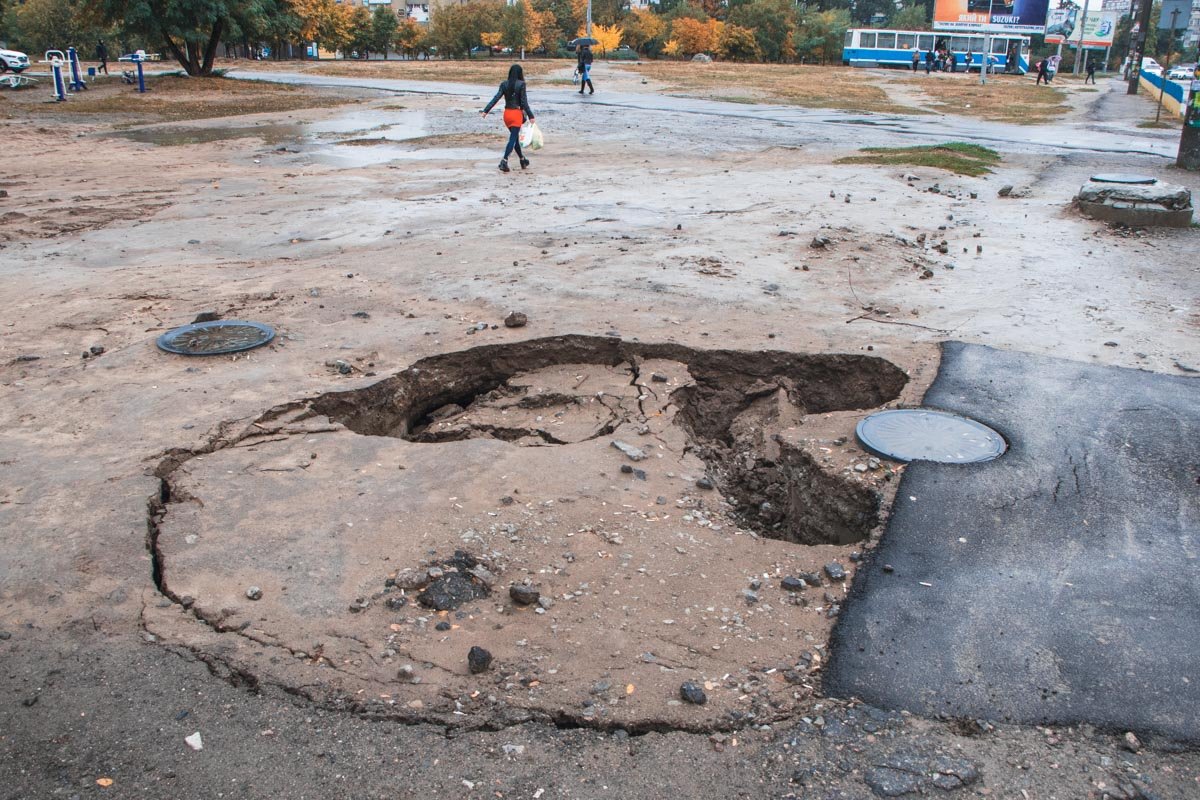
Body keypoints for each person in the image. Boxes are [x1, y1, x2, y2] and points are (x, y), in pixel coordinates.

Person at [481, 63, 535, 173]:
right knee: (513, 139)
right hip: (516, 114)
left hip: (507, 114)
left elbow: (496, 98)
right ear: (520, 73)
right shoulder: (521, 84)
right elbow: (524, 103)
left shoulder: (504, 84)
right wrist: (531, 116)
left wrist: (486, 110)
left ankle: (522, 160)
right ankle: (504, 161)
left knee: (514, 139)